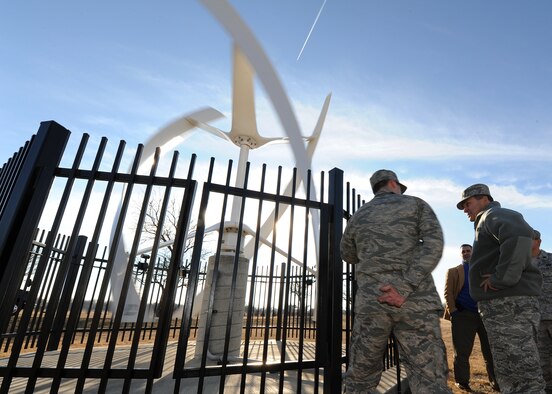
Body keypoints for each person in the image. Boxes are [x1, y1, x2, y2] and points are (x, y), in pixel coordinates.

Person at [341, 169, 451, 393]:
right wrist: (403, 286)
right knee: (429, 377)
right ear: (393, 183)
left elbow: (347, 254)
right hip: (415, 301)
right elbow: (434, 244)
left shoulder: (358, 215)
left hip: (373, 302)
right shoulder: (416, 205)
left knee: (360, 377)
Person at [457, 183, 544, 393]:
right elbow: (528, 240)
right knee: (511, 372)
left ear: (484, 198)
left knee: (521, 375)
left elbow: (519, 234)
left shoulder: (493, 214)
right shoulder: (486, 220)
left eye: (467, 203)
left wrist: (501, 278)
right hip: (504, 305)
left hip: (508, 305)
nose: (465, 209)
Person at [443, 244, 498, 392]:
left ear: (473, 252)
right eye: (463, 252)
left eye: (468, 251)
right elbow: (448, 294)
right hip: (463, 315)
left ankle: (496, 382)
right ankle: (462, 382)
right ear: (460, 254)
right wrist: (454, 312)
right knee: (461, 352)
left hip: (485, 315)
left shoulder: (484, 269)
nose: (466, 253)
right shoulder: (453, 271)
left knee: (490, 351)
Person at [532, 230, 552, 393]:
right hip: (535, 320)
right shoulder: (521, 264)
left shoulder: (550, 260)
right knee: (542, 359)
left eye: (530, 239)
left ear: (538, 241)